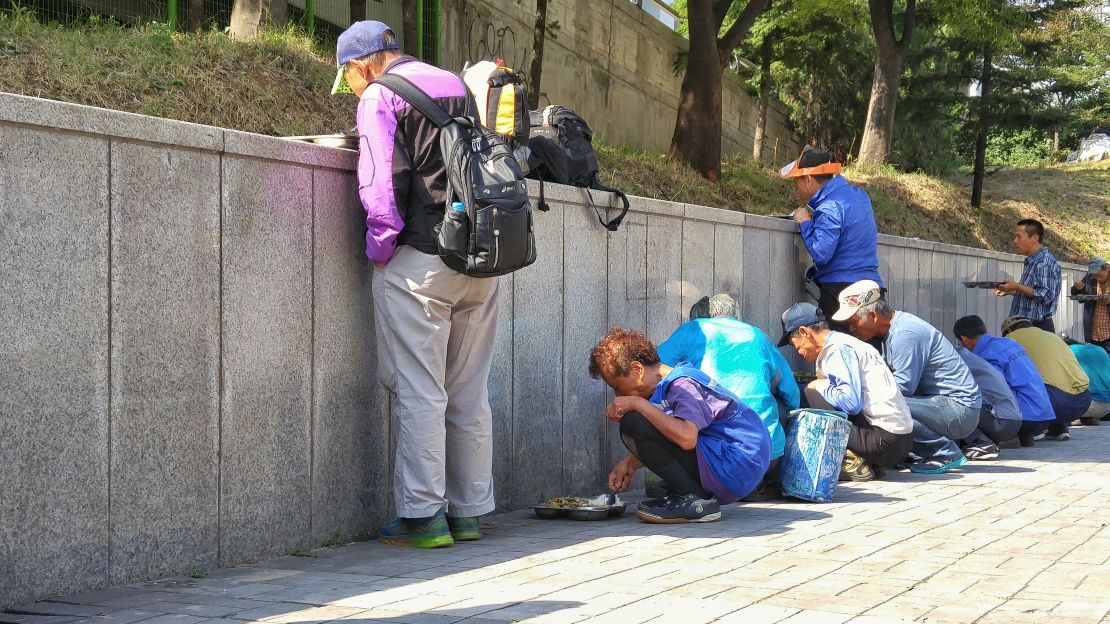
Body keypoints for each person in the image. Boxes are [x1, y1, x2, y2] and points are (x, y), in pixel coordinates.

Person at [337, 21, 496, 548]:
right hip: (479, 259)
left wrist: (380, 249)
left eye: (349, 80)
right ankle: (468, 513)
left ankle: (424, 517)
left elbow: (381, 182)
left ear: (360, 66)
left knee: (421, 393)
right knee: (468, 393)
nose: (353, 90)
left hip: (422, 262)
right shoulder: (453, 83)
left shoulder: (380, 96)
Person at [589, 328, 771, 524]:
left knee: (633, 422)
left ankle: (694, 500)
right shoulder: (671, 385)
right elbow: (669, 437)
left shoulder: (681, 384)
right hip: (733, 464)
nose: (617, 396)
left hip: (736, 463)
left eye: (616, 386)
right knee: (649, 420)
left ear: (637, 370)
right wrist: (629, 464)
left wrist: (637, 403)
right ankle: (686, 495)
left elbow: (686, 438)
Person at [657, 294, 800, 497]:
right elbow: (790, 390)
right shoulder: (757, 335)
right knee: (781, 403)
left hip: (712, 454)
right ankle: (755, 482)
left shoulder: (694, 329)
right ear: (736, 315)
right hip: (765, 455)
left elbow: (652, 366)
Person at [836, 280, 978, 473]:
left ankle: (943, 453)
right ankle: (920, 453)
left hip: (960, 410)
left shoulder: (905, 334)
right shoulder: (892, 330)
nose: (851, 329)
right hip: (944, 405)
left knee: (884, 402)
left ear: (873, 315)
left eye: (854, 322)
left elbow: (901, 388)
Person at [778, 303, 914, 478]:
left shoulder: (837, 349)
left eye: (793, 343)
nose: (796, 350)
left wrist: (817, 385)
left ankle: (850, 461)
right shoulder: (845, 343)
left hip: (885, 441)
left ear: (805, 332)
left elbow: (850, 403)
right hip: (898, 440)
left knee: (808, 393)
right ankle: (868, 460)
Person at [779, 146, 883, 331]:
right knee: (871, 354)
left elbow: (821, 253)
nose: (797, 189)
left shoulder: (830, 207)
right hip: (872, 288)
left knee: (843, 354)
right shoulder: (860, 196)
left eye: (797, 182)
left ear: (809, 180)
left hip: (842, 293)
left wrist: (805, 223)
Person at [953, 315, 1055, 447]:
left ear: (964, 339)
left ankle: (987, 440)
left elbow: (993, 390)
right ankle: (1023, 436)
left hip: (1021, 418)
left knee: (964, 402)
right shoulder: (1008, 343)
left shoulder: (985, 354)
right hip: (1042, 416)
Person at [1001, 316, 1092, 441]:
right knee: (1050, 380)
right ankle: (1058, 428)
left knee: (1011, 385)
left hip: (1055, 401)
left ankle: (1034, 428)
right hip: (1083, 400)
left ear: (1009, 330)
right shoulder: (1053, 336)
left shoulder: (1010, 339)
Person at [953, 346, 1023, 459]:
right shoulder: (968, 356)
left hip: (1000, 420)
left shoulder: (952, 359)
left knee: (950, 403)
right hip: (1013, 421)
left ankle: (980, 441)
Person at [995, 219, 1061, 333]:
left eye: (1019, 236)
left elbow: (1045, 295)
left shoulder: (1043, 262)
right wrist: (1012, 291)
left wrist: (1017, 287)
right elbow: (1034, 292)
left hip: (1037, 329)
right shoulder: (1034, 260)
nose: (1015, 241)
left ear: (1034, 238)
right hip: (1026, 326)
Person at [1064, 338, 1110, 425]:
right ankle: (1090, 418)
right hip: (1107, 406)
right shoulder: (1099, 349)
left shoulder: (1066, 350)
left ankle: (1075, 417)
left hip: (1084, 405)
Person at [1071, 257, 1110, 354]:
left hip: (1108, 333)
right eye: (1095, 276)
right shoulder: (1090, 276)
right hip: (1094, 332)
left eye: (1100, 275)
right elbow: (1079, 296)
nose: (1097, 279)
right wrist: (1079, 288)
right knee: (1095, 362)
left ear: (1107, 268)